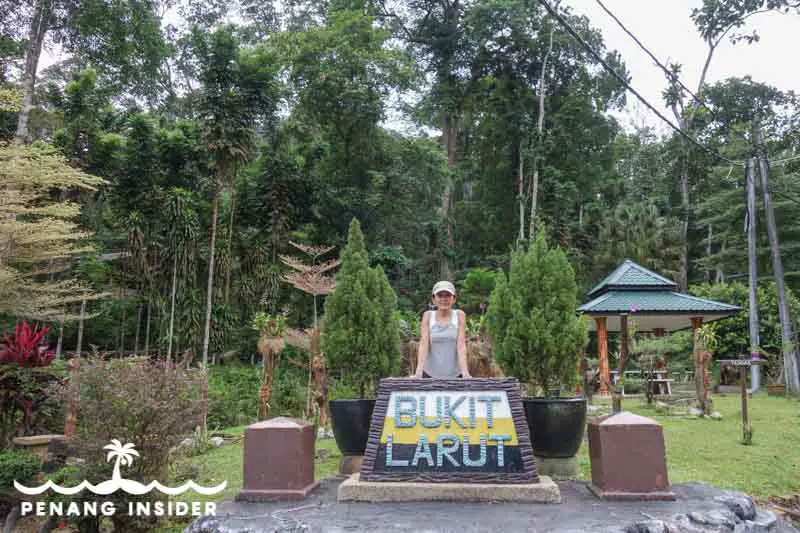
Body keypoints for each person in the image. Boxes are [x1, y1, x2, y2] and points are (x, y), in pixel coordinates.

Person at [413, 281, 471, 378]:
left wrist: (465, 372)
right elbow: (424, 344)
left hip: (455, 374)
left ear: (454, 299)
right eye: (440, 295)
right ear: (434, 299)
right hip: (429, 374)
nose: (444, 299)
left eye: (448, 295)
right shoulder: (428, 316)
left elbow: (461, 345)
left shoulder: (460, 315)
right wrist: (418, 371)